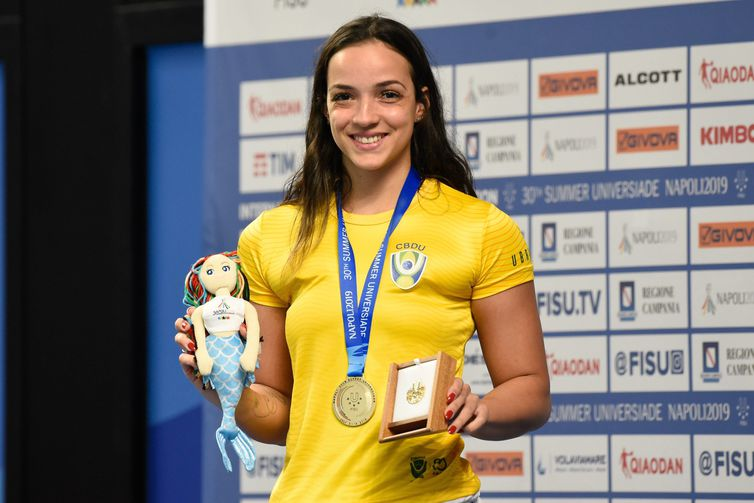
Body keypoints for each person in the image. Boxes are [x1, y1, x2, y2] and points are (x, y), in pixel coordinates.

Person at [175, 14, 549, 502]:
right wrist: (222, 387)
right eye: (344, 96)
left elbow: (530, 390)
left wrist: (480, 409)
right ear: (324, 109)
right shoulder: (271, 235)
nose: (365, 115)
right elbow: (282, 415)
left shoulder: (480, 229)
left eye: (388, 94)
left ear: (421, 105)